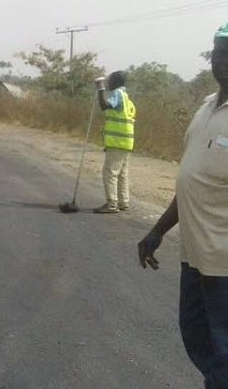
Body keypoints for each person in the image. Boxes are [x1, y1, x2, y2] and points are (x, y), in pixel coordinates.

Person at [137, 24, 228, 387]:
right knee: (195, 333)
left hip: (224, 260)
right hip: (194, 254)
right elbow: (192, 182)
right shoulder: (206, 107)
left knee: (224, 345)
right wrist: (157, 231)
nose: (224, 61)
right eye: (219, 52)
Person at [93, 71, 136, 214]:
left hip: (117, 142)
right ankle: (123, 202)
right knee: (122, 174)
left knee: (110, 173)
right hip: (126, 142)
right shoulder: (127, 98)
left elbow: (105, 106)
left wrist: (100, 89)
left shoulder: (117, 95)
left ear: (116, 82)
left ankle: (112, 204)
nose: (108, 83)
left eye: (109, 81)